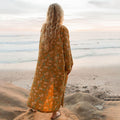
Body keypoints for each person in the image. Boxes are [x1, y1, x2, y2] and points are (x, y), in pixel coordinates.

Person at [27, 3, 73, 120]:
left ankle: (34, 106)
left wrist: (40, 63)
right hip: (57, 65)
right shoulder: (63, 29)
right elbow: (66, 49)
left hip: (44, 64)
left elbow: (41, 47)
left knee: (40, 85)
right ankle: (54, 113)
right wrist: (69, 65)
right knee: (57, 88)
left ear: (48, 14)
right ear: (60, 15)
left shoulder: (44, 27)